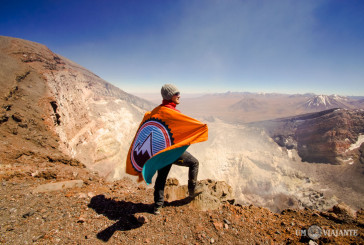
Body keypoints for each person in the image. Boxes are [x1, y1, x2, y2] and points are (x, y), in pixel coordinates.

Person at [153, 84, 201, 215]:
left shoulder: (157, 111)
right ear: (170, 96)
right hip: (172, 152)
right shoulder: (174, 113)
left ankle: (157, 206)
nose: (179, 95)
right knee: (194, 163)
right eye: (176, 93)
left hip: (160, 152)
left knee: (161, 178)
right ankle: (192, 192)